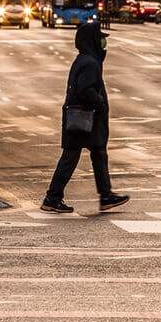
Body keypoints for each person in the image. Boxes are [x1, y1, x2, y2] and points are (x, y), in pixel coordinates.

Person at [42, 22, 129, 214]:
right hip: (83, 119)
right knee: (70, 157)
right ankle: (52, 197)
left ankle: (106, 196)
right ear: (92, 41)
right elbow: (85, 90)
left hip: (86, 120)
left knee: (98, 154)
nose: (104, 42)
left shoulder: (86, 60)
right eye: (101, 38)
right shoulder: (89, 63)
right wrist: (99, 102)